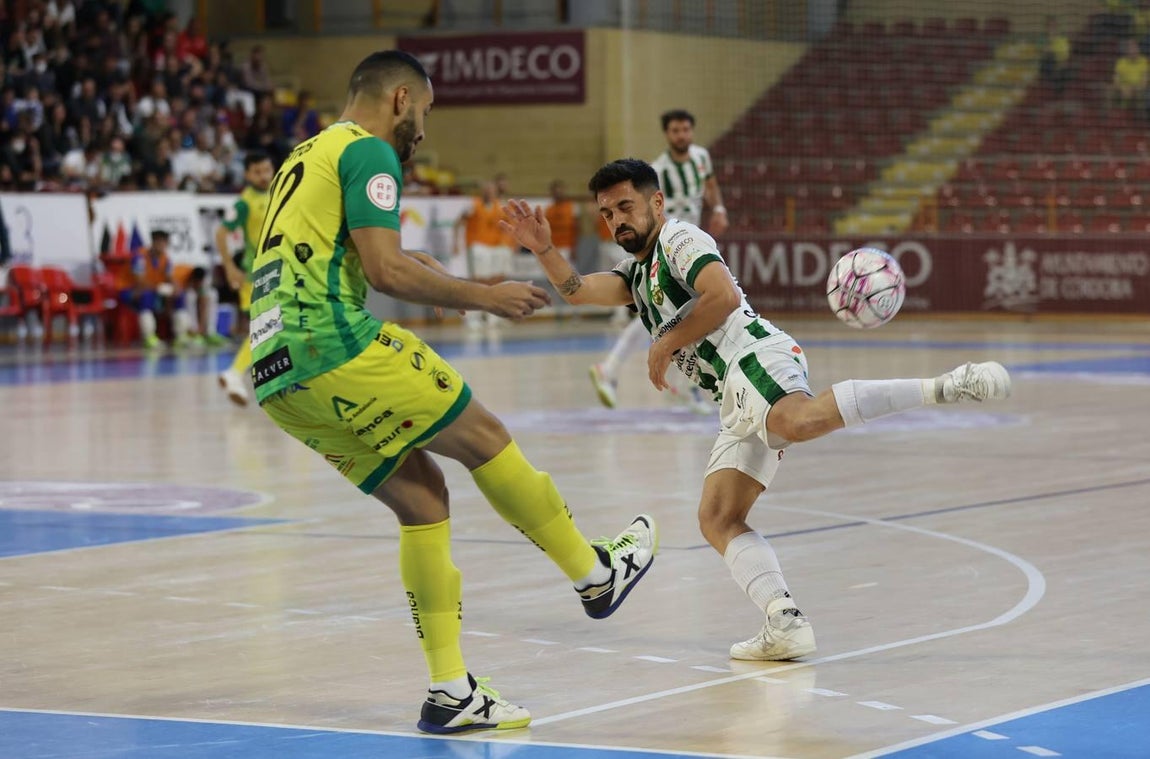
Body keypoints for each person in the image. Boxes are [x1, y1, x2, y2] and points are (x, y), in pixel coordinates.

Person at [247, 51, 657, 733]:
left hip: (277, 372)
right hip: (332, 343)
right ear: (401, 98)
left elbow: (358, 254)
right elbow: (383, 269)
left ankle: (450, 691)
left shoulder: (305, 155)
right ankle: (595, 575)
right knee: (485, 436)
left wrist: (432, 275)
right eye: (428, 113)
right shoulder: (371, 152)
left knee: (422, 498)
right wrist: (481, 297)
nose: (425, 132)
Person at [499, 158, 1013, 662]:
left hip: (752, 354)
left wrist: (664, 343)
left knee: (799, 420)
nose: (617, 221)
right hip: (733, 390)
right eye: (608, 214)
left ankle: (946, 385)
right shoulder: (637, 275)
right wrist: (544, 249)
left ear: (656, 202)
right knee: (718, 517)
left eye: (626, 207)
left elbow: (720, 296)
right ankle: (784, 620)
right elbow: (580, 291)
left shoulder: (681, 240)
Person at [589, 109, 727, 411]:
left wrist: (718, 210)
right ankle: (616, 370)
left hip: (690, 246)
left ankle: (675, 384)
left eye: (686, 130)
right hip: (666, 247)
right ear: (667, 134)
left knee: (682, 313)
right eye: (676, 131)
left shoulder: (701, 157)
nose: (682, 136)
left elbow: (711, 186)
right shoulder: (658, 170)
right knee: (667, 312)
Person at [215, 150, 274, 406]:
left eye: (266, 170)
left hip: (277, 269)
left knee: (273, 328)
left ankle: (270, 381)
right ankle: (234, 372)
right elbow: (220, 233)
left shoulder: (278, 192)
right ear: (248, 174)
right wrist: (229, 267)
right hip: (256, 273)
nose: (263, 176)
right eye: (257, 172)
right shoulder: (244, 203)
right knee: (266, 327)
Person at [453, 180, 512, 329]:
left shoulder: (499, 206)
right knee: (478, 282)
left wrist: (509, 244)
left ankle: (492, 316)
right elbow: (458, 222)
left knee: (494, 282)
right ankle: (472, 317)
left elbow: (506, 226)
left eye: (491, 190)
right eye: (486, 190)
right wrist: (455, 242)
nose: (489, 193)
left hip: (494, 248)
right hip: (477, 246)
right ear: (482, 192)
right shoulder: (473, 204)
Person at [122, 229, 195, 349]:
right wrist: (159, 289)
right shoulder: (139, 256)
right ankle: (148, 337)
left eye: (165, 243)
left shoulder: (165, 258)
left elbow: (170, 277)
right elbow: (139, 281)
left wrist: (176, 288)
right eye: (159, 242)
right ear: (153, 242)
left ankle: (181, 336)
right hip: (129, 290)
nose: (162, 246)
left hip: (153, 289)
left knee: (179, 296)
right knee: (147, 296)